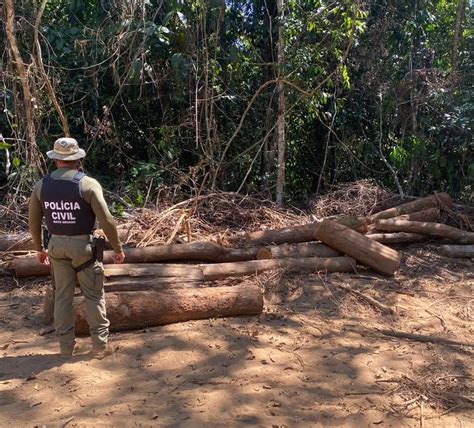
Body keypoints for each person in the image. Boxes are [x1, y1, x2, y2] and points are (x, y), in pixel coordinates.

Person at [28, 137, 125, 359]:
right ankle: (100, 347)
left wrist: (39, 248)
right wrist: (118, 248)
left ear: (55, 160)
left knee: (62, 297)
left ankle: (65, 348)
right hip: (84, 249)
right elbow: (107, 219)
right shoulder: (88, 184)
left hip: (56, 247)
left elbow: (33, 221)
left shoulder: (41, 185)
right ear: (77, 159)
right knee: (93, 295)